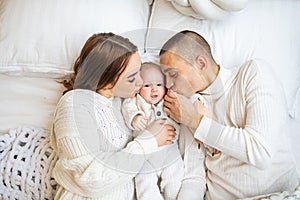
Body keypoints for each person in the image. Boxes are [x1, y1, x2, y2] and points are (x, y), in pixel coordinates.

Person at [159, 30, 299, 200]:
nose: (168, 84)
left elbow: (261, 152)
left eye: (173, 74)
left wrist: (197, 121)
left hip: (277, 194)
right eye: (164, 77)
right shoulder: (189, 106)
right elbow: (194, 177)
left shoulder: (252, 73)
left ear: (201, 64)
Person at [50, 32, 177, 199]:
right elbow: (90, 180)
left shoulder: (121, 102)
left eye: (140, 71)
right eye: (132, 78)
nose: (140, 82)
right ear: (107, 79)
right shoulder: (75, 105)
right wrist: (148, 141)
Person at [122, 62, 183, 200]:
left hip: (169, 149)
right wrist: (135, 117)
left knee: (175, 177)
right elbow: (127, 109)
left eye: (159, 85)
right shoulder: (135, 101)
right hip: (145, 154)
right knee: (144, 181)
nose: (154, 90)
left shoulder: (168, 100)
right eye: (147, 85)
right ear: (138, 87)